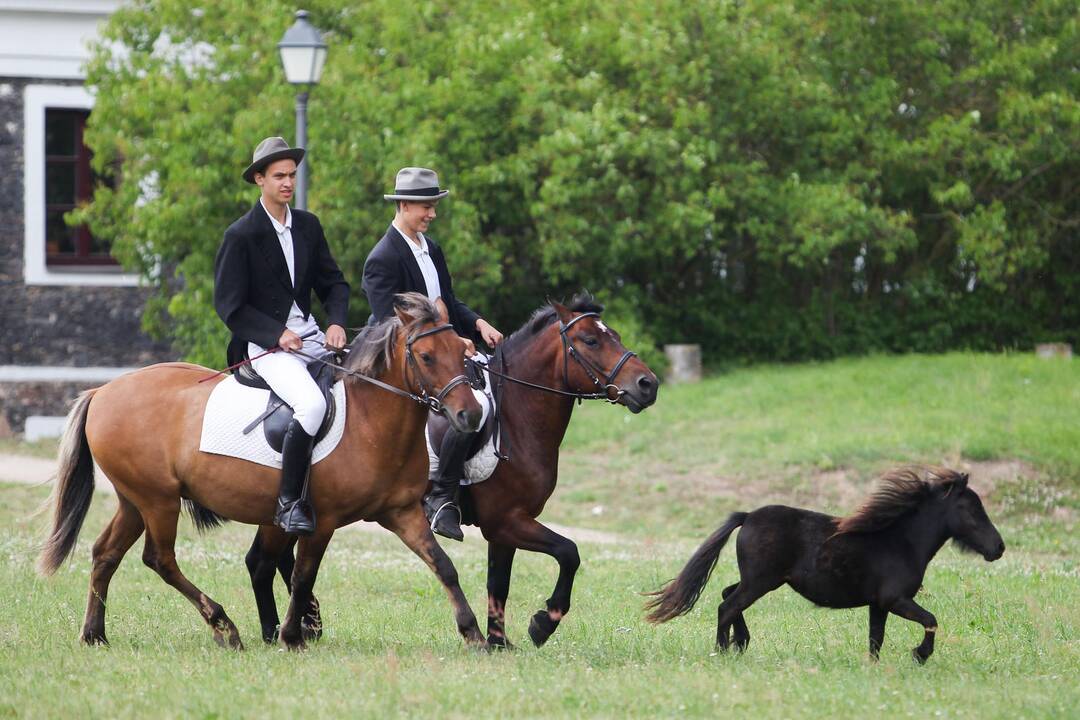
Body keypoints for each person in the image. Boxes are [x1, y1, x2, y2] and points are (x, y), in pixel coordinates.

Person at [214, 136, 350, 535]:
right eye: (279, 176)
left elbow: (334, 285)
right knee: (310, 405)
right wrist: (277, 333)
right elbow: (230, 306)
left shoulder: (308, 226)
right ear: (259, 179)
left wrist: (338, 321)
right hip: (265, 346)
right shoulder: (240, 235)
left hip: (313, 337)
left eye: (292, 175)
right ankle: (289, 503)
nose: (288, 182)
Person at [362, 167, 503, 540]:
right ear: (405, 205)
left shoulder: (431, 248)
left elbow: (448, 302)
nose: (432, 214)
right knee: (474, 405)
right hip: (413, 366)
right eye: (426, 206)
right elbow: (386, 324)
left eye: (434, 206)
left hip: (445, 352)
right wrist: (447, 346)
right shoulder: (383, 258)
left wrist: (476, 325)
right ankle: (441, 495)